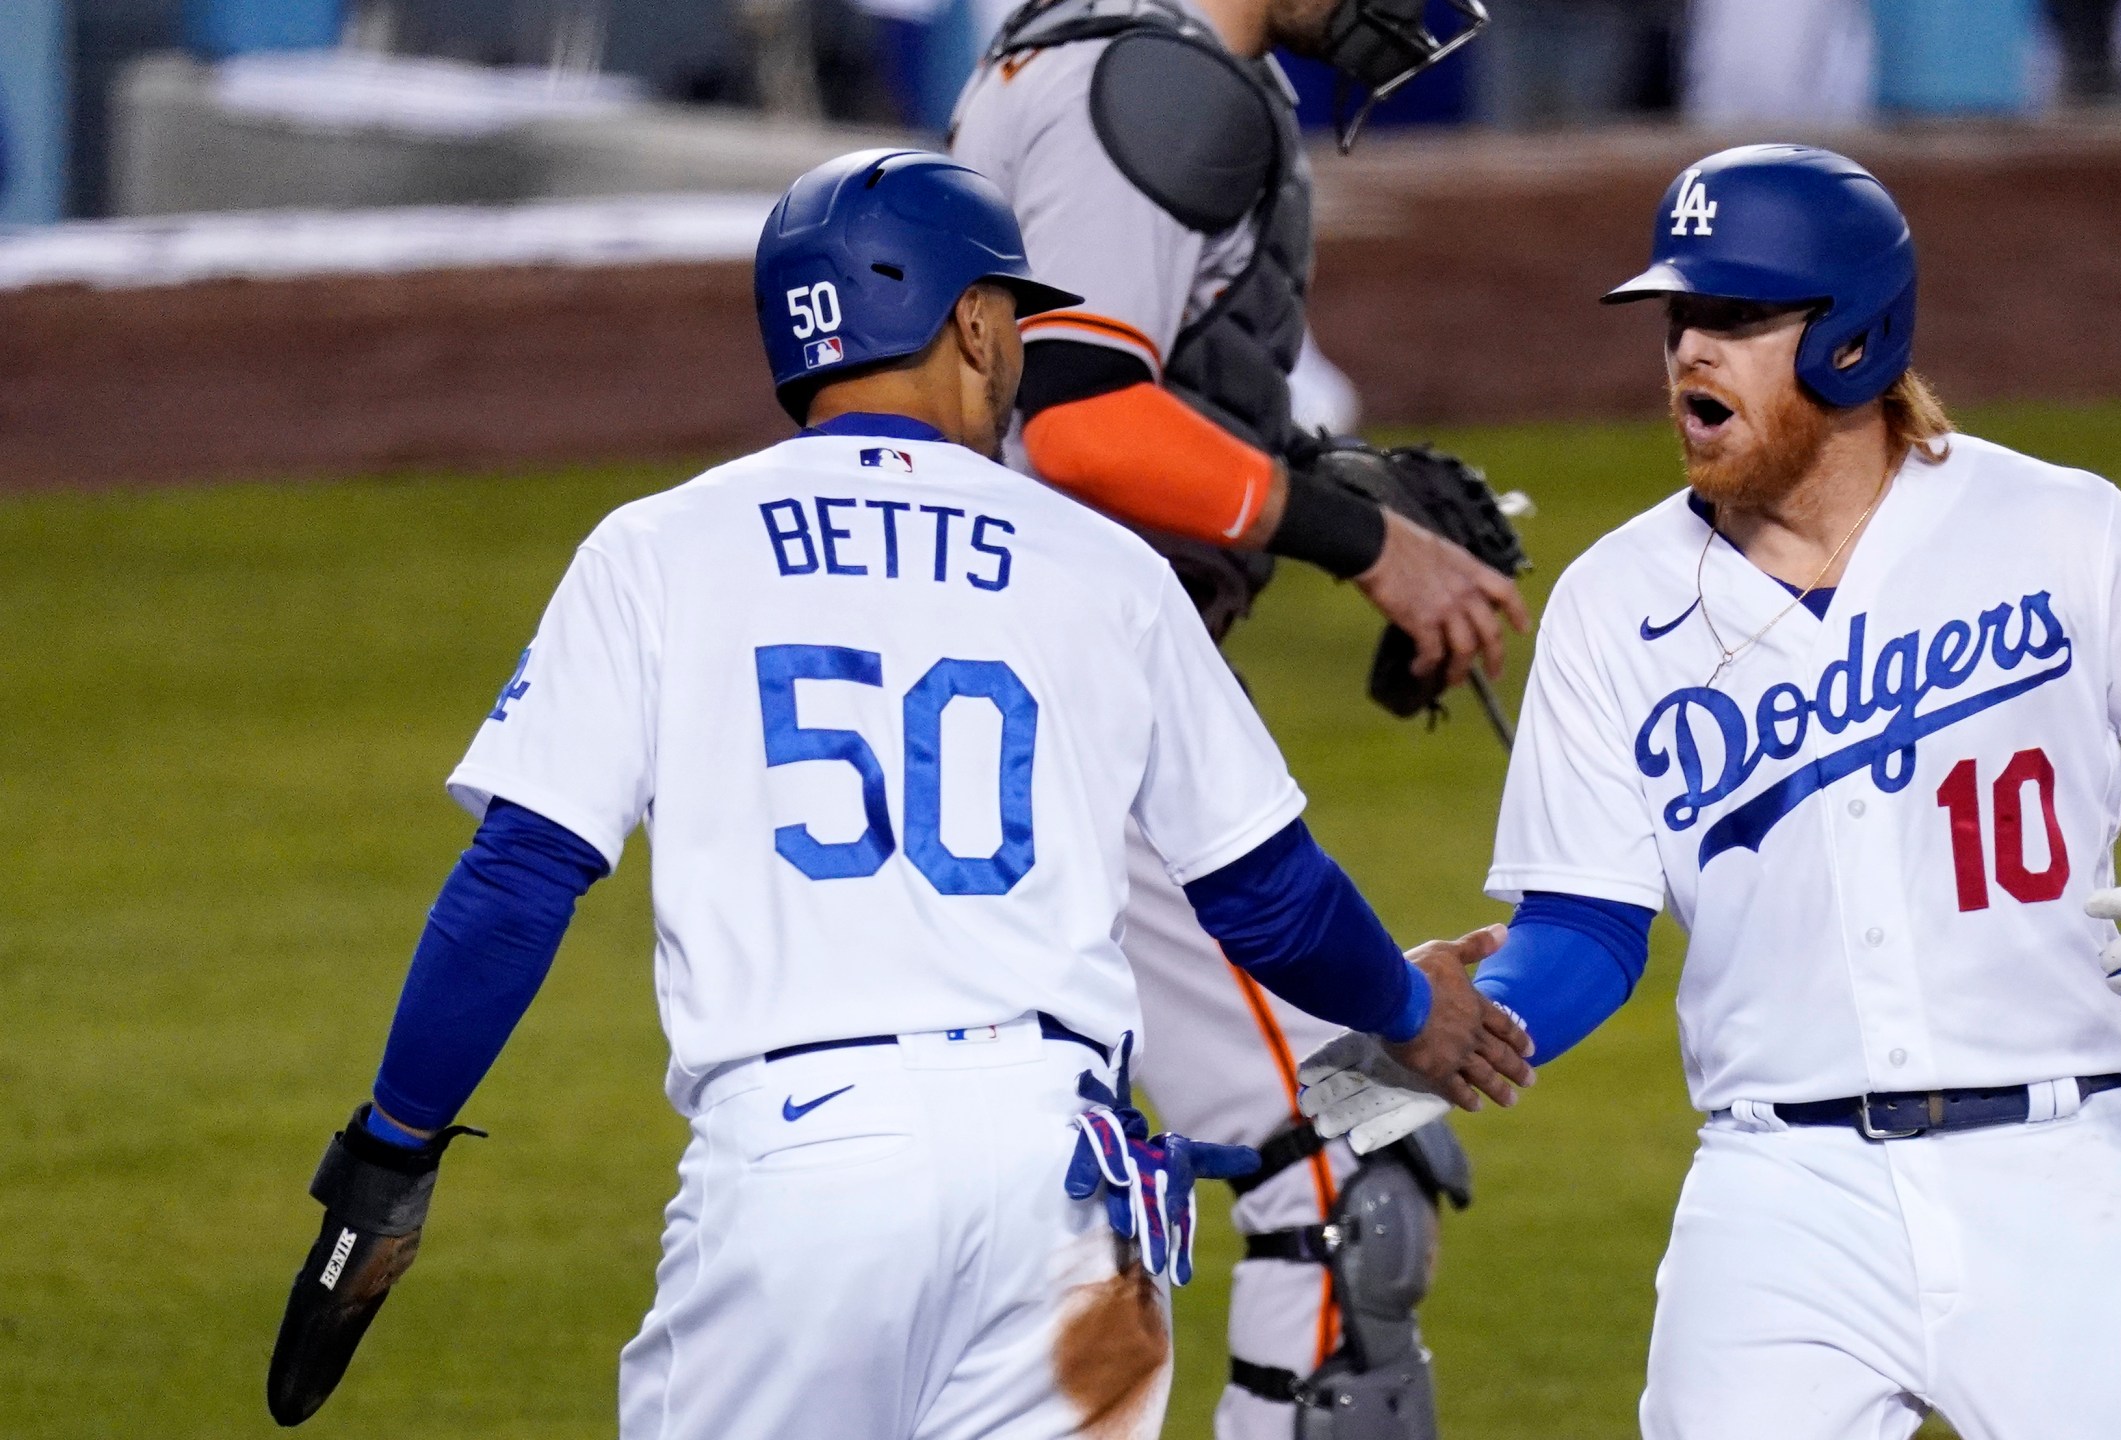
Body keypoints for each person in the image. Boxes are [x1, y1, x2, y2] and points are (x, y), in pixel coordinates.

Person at [261, 148, 1531, 1440]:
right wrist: (1404, 1004)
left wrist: (394, 1150)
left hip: (802, 1177)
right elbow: (1268, 895)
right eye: (1015, 320)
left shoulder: (660, 547)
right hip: (1068, 1198)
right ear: (972, 325)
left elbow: (517, 882)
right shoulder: (1103, 568)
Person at [1303, 144, 2121, 1438]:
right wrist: (1383, 1060)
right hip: (1778, 1204)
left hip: (2064, 1176)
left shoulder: (2056, 530)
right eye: (1682, 318)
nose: (1692, 352)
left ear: (1858, 343)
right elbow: (1587, 933)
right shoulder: (1615, 602)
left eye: (1741, 319)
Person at [946, 1, 1526, 1434]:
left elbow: (1083, 393)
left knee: (1032, 1203)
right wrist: (1364, 541)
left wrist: (1318, 482)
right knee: (1334, 1165)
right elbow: (1082, 424)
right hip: (1075, 706)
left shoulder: (1059, 47)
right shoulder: (1154, 85)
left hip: (984, 699)